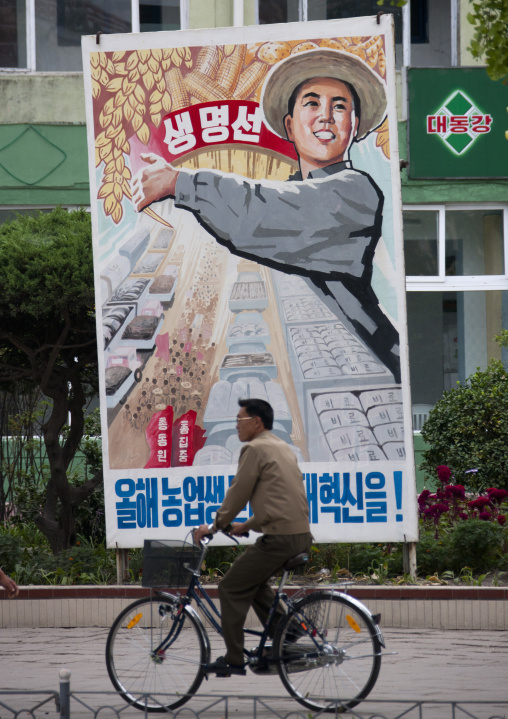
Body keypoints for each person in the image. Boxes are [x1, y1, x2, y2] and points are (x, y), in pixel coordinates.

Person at [131, 48, 400, 382]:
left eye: (340, 106)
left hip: (371, 368)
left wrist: (179, 182)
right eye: (312, 103)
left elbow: (259, 214)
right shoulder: (292, 188)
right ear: (289, 125)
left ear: (354, 125)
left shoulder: (355, 192)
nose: (326, 116)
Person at [194, 398, 312, 677]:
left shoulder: (255, 449)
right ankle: (286, 631)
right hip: (299, 534)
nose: (236, 425)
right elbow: (278, 500)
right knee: (254, 582)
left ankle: (234, 658)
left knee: (230, 588)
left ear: (256, 422)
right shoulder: (281, 447)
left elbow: (239, 491)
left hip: (280, 538)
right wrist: (244, 524)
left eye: (240, 419)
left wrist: (215, 526)